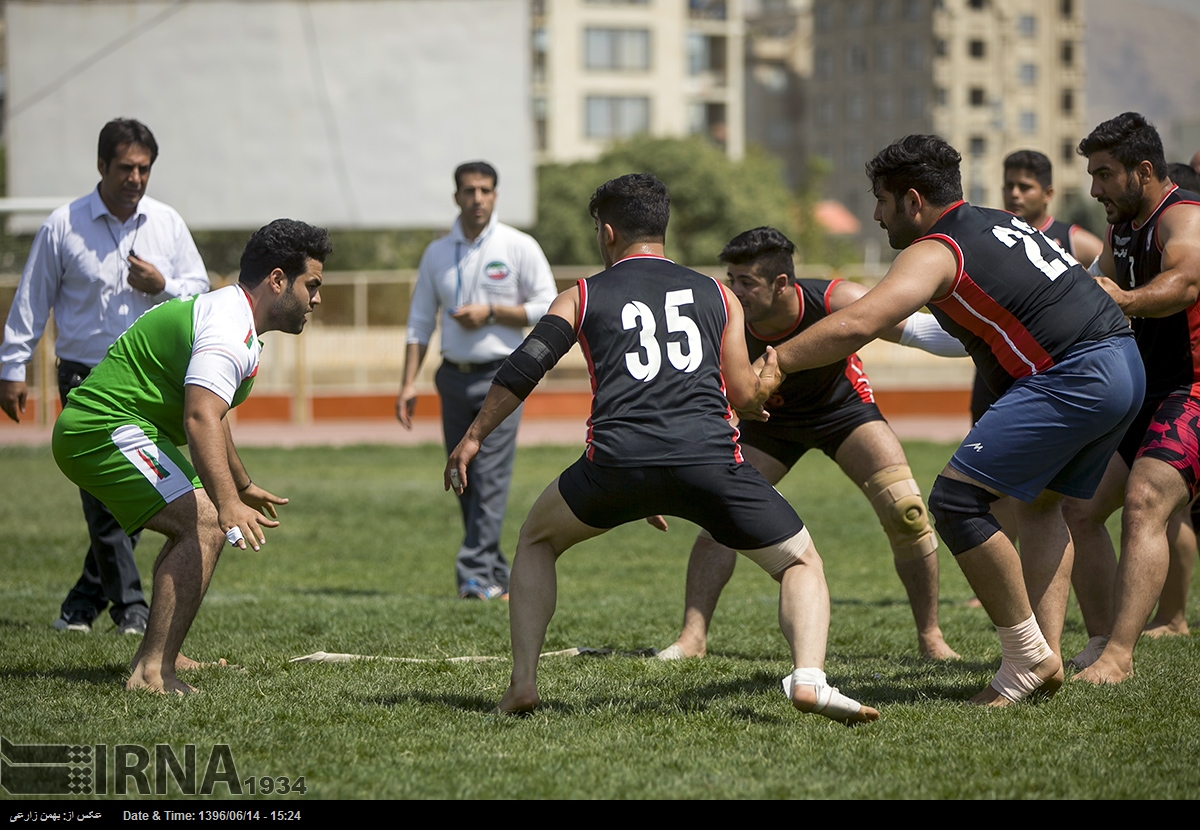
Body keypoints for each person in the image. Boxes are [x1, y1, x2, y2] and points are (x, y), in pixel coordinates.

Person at [445, 174, 879, 724]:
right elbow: (744, 395)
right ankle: (811, 679)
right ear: (662, 229)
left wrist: (475, 434)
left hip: (615, 467)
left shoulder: (581, 294)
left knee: (536, 540)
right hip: (712, 464)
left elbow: (525, 366)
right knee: (799, 562)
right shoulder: (720, 294)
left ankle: (523, 685)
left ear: (607, 233)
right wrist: (768, 381)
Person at [765, 134, 1142, 706]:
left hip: (1076, 373)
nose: (875, 214)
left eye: (881, 200)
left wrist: (775, 363)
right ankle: (1042, 657)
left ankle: (1025, 656)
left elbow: (858, 323)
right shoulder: (998, 223)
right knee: (1041, 506)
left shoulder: (936, 248)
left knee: (957, 500)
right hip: (1122, 362)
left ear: (912, 201)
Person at [51, 219, 330, 694]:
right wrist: (225, 504)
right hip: (100, 429)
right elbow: (200, 417)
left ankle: (162, 650)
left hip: (128, 429)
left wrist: (239, 485)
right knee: (203, 522)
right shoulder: (228, 326)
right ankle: (152, 673)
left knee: (198, 519)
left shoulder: (232, 318)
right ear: (278, 280)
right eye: (313, 285)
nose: (317, 299)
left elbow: (214, 415)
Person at [658, 227, 962, 662]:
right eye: (731, 280)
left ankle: (930, 637)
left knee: (907, 511)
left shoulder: (837, 300)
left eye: (747, 282)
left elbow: (920, 333)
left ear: (782, 284)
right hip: (768, 422)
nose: (735, 291)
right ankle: (692, 638)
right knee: (718, 516)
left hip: (843, 410)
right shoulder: (722, 318)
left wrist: (993, 336)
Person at [0, 118, 210, 636]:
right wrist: (12, 367)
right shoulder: (63, 226)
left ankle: (79, 604)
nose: (136, 178)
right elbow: (32, 301)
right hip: (84, 377)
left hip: (147, 380)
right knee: (103, 496)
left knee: (131, 487)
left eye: (144, 168)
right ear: (101, 166)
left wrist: (164, 284)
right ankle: (132, 609)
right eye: (125, 167)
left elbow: (201, 291)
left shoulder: (167, 223)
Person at [1061, 113, 1200, 684]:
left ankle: (1122, 655)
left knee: (1144, 501)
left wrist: (1126, 300)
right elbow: (1097, 290)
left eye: (1104, 174)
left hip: (1193, 391)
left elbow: (1186, 282)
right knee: (1079, 509)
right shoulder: (1122, 227)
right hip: (1146, 394)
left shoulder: (1183, 216)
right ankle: (1102, 641)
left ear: (1144, 171)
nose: (1094, 189)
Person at [397, 162, 557, 600]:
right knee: (462, 472)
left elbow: (549, 305)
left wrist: (492, 312)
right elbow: (418, 321)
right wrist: (407, 384)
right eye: (469, 191)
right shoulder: (436, 253)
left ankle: (473, 573)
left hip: (504, 377)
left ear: (496, 195)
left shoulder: (518, 245)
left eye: (486, 190)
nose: (478, 198)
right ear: (457, 197)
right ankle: (495, 575)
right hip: (451, 377)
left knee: (490, 475)